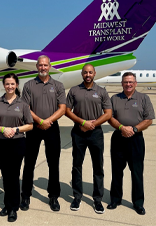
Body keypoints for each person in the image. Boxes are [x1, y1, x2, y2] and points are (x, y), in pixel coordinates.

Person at [20, 55, 66, 212]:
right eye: (40, 65)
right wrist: (40, 121)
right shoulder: (29, 85)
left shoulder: (58, 85)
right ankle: (25, 195)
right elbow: (25, 107)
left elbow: (62, 108)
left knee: (53, 163)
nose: (43, 68)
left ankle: (53, 196)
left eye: (45, 65)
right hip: (34, 127)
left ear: (50, 66)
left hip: (52, 127)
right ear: (37, 67)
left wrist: (48, 121)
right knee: (29, 163)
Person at [65, 64, 112, 214]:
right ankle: (77, 197)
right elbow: (66, 110)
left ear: (94, 74)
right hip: (78, 132)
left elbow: (108, 113)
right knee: (77, 165)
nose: (88, 74)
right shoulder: (74, 90)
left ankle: (97, 200)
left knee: (98, 167)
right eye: (85, 72)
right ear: (82, 74)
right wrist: (82, 122)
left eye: (90, 72)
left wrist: (92, 124)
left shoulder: (101, 91)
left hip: (96, 133)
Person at [0, 73, 33, 222]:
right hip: (0, 142)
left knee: (13, 174)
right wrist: (2, 129)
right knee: (6, 174)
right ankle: (8, 203)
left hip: (18, 142)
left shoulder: (23, 104)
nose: (10, 86)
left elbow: (30, 125)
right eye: (7, 84)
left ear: (17, 85)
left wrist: (16, 129)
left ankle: (13, 207)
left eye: (12, 84)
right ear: (4, 85)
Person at [107, 72, 155, 215]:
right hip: (118, 137)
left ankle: (138, 203)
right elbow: (109, 117)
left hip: (136, 139)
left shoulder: (144, 98)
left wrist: (134, 129)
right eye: (125, 82)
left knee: (137, 172)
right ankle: (115, 199)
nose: (128, 84)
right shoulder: (115, 98)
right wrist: (122, 128)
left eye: (131, 82)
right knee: (116, 171)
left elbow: (149, 119)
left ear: (135, 83)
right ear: (122, 83)